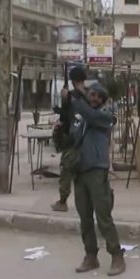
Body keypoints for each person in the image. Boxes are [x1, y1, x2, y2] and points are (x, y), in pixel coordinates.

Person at [70, 83, 125, 277]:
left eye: (93, 95)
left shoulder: (104, 116)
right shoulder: (81, 119)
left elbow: (91, 115)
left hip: (96, 170)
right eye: (89, 94)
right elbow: (72, 138)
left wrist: (78, 99)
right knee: (85, 218)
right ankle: (90, 255)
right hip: (79, 171)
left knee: (103, 217)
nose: (89, 97)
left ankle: (117, 255)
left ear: (100, 99)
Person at [51, 67, 88, 212]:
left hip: (73, 140)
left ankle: (62, 202)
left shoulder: (70, 96)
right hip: (88, 140)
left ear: (72, 80)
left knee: (66, 171)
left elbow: (65, 117)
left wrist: (64, 100)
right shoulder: (90, 94)